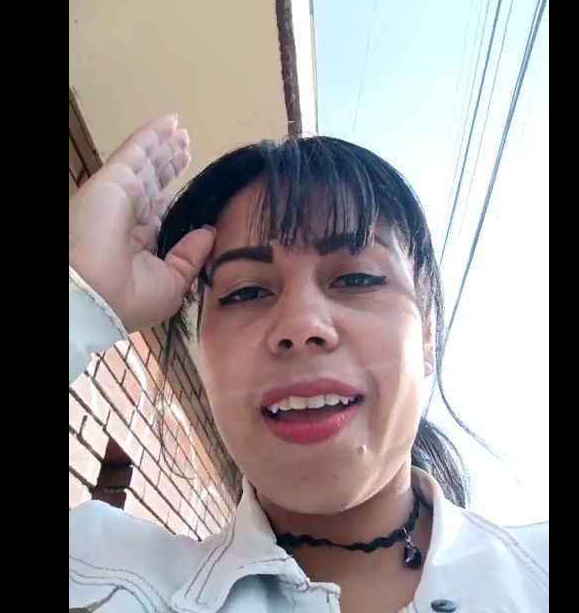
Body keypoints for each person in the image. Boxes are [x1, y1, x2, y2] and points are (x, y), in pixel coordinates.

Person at [69, 115, 548, 612]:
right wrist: (80, 296)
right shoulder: (101, 578)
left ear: (427, 332)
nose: (300, 325)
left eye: (357, 279)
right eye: (246, 291)